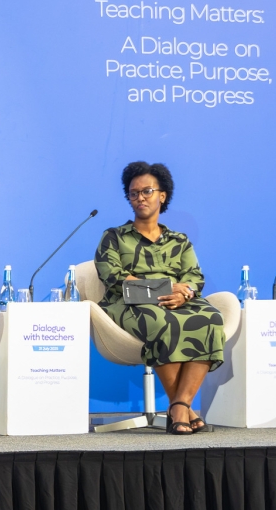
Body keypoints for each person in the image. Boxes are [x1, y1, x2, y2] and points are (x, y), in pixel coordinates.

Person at [94, 161, 225, 435]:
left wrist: (184, 292)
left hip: (177, 301)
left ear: (162, 195)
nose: (139, 197)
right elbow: (114, 277)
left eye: (147, 191)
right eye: (133, 193)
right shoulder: (114, 237)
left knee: (211, 318)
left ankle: (179, 405)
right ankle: (183, 410)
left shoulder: (179, 240)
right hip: (128, 303)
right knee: (162, 320)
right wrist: (167, 289)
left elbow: (195, 277)